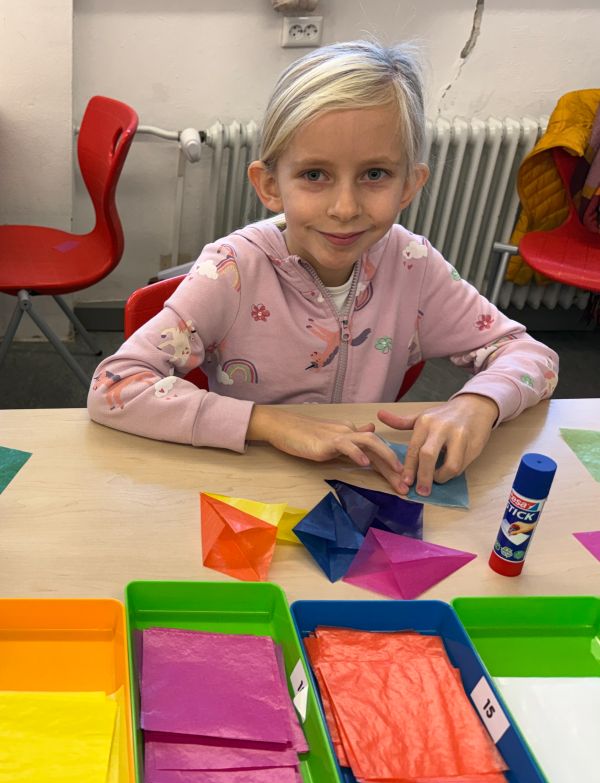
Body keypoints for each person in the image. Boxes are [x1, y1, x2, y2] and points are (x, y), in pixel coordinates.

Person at [87, 40, 558, 497]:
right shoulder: (233, 270)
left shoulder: (412, 265)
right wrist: (268, 423)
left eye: (375, 174)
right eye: (314, 175)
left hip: (363, 484)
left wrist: (478, 403)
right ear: (270, 185)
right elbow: (114, 387)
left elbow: (531, 355)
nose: (345, 208)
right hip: (245, 487)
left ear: (409, 185)